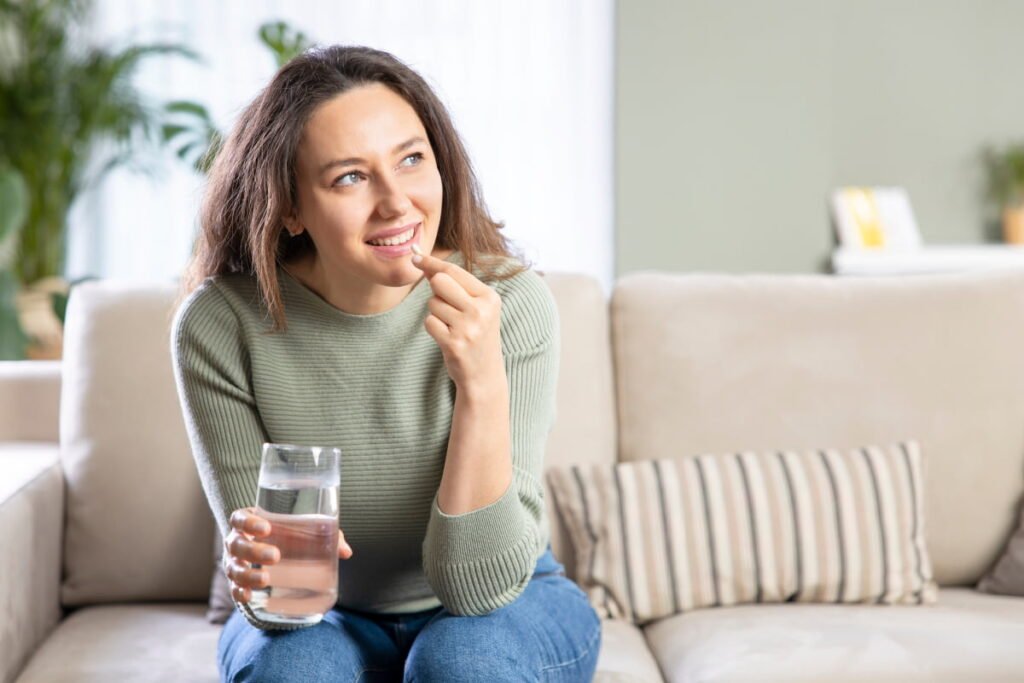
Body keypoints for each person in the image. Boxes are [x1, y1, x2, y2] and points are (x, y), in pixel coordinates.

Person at [170, 44, 601, 682]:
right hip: (331, 614)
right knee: (295, 673)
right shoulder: (221, 326)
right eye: (350, 176)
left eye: (411, 160)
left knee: (461, 662)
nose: (397, 204)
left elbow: (476, 592)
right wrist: (260, 573)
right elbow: (284, 605)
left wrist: (480, 379)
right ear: (290, 207)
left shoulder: (507, 303)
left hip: (512, 597)